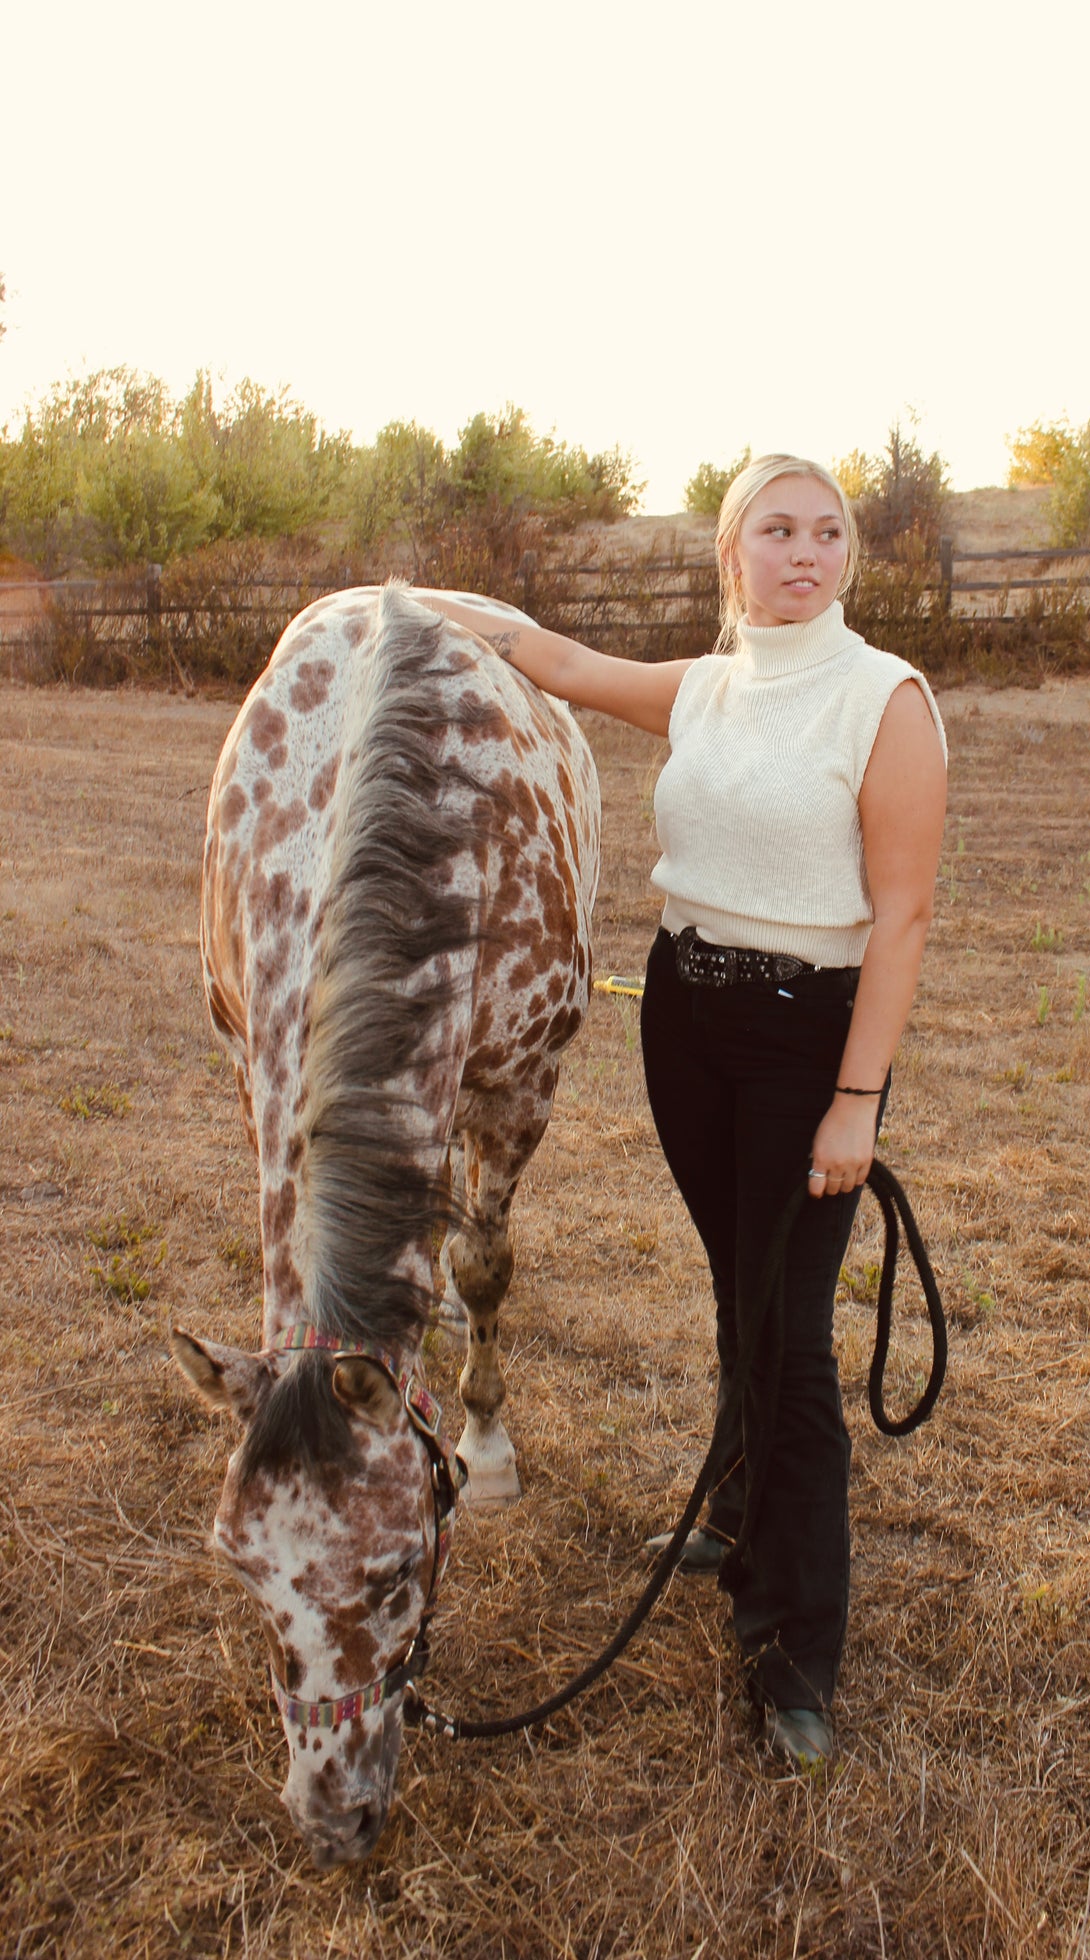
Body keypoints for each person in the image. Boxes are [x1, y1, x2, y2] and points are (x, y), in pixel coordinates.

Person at [418, 453, 947, 1766]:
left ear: (846, 560)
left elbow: (905, 917)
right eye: (777, 530)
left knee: (791, 1347)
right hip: (685, 1013)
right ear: (733, 557)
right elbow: (560, 663)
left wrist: (855, 1103)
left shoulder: (883, 702)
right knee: (737, 1296)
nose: (805, 552)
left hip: (801, 1040)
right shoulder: (707, 690)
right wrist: (414, 609)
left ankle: (790, 1655)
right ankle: (727, 1510)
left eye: (826, 533)